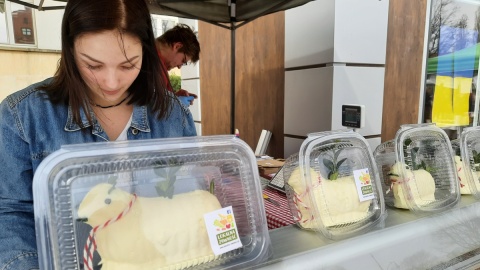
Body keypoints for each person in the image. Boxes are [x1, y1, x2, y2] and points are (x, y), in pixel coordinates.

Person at [0, 0, 196, 268]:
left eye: (128, 65)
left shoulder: (173, 114)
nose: (111, 82)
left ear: (146, 52)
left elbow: (187, 202)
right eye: (93, 65)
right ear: (70, 50)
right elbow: (12, 215)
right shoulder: (23, 116)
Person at [155, 23, 200, 105]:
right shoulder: (151, 62)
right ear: (177, 46)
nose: (179, 67)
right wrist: (176, 103)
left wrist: (174, 97)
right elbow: (153, 108)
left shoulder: (158, 63)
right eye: (183, 60)